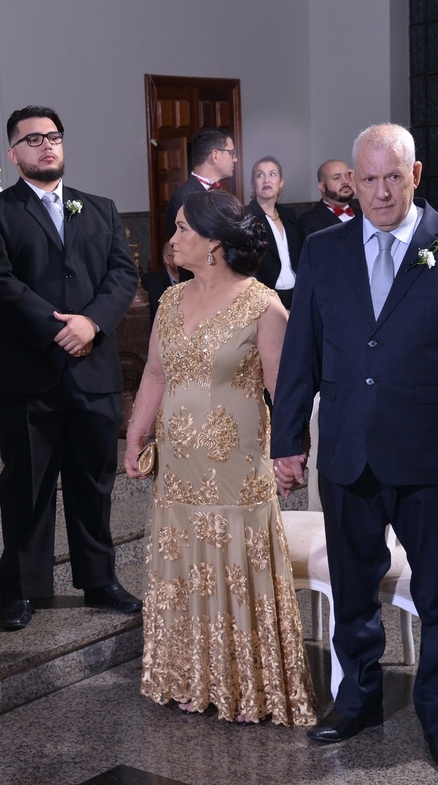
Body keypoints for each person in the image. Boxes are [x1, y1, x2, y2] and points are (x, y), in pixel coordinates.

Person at [271, 124, 438, 775]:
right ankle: (358, 701)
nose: (378, 191)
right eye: (366, 179)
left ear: (415, 174)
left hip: (432, 458)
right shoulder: (324, 250)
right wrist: (287, 440)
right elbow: (301, 355)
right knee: (352, 591)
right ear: (351, 180)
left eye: (391, 178)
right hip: (347, 452)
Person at [125, 190, 317, 726]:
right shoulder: (169, 300)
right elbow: (155, 376)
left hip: (236, 467)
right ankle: (191, 674)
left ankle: (242, 683)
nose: (173, 238)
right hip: (179, 468)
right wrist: (135, 436)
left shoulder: (264, 306)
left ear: (213, 244)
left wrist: (288, 457)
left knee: (232, 563)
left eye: (184, 228)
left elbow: (285, 392)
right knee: (186, 562)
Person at [0, 105, 142, 632]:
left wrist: (91, 324)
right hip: (26, 371)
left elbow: (122, 274)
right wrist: (57, 327)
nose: (47, 145)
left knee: (94, 482)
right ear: (14, 152)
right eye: (34, 139)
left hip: (94, 371)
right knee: (28, 484)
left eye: (54, 137)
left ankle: (100, 579)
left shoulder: (101, 209)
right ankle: (22, 587)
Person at [246, 157, 302, 308]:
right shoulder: (245, 217)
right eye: (260, 175)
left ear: (281, 182)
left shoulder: (289, 215)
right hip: (264, 299)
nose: (266, 180)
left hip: (296, 296)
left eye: (272, 174)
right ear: (253, 183)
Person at [165, 126, 237, 239]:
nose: (235, 159)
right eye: (231, 153)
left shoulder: (222, 195)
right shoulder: (183, 197)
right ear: (215, 155)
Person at [297, 159, 359, 238]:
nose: (345, 181)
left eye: (348, 176)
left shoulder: (366, 214)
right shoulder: (308, 221)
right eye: (336, 178)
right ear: (322, 187)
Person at [141, 240, 190, 322]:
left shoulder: (189, 277)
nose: (182, 259)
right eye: (177, 255)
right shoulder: (154, 281)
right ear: (167, 259)